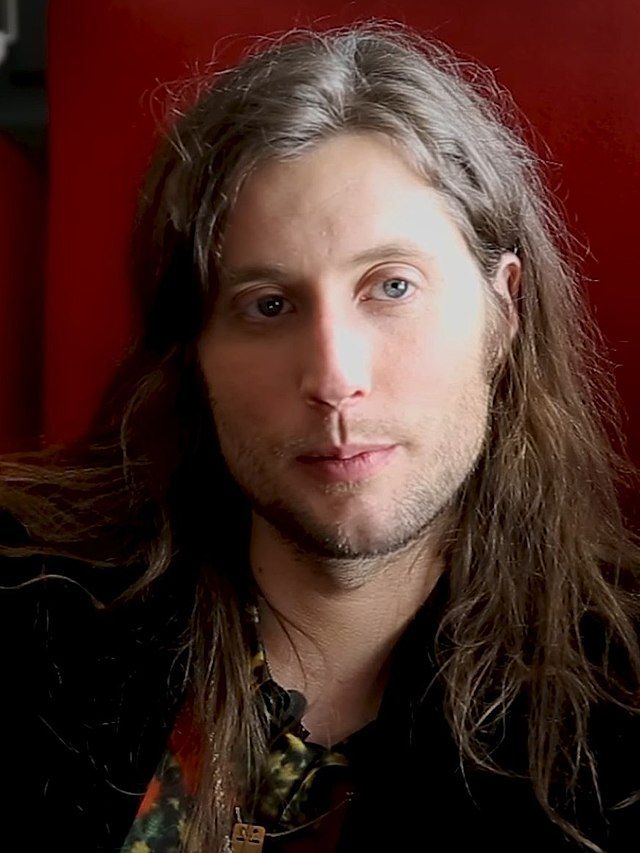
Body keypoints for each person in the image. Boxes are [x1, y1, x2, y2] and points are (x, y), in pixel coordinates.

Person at [1, 22, 639, 853]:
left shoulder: (619, 709)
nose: (335, 377)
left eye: (392, 286)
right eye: (268, 305)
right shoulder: (27, 606)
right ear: (195, 353)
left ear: (504, 308)